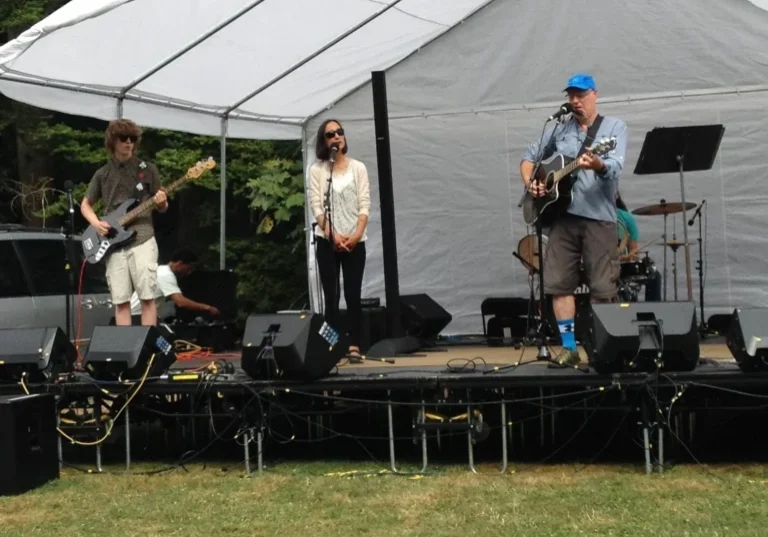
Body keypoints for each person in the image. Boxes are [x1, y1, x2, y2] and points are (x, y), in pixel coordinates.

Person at [521, 73, 628, 367]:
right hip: (562, 218)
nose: (575, 101)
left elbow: (615, 168)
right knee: (559, 285)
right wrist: (532, 183)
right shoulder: (559, 129)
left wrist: (598, 163)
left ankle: (602, 348)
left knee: (602, 288)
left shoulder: (614, 128)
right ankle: (569, 348)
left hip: (598, 218)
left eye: (580, 95)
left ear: (595, 94)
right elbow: (528, 158)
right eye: (571, 96)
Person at [81, 119, 167, 327]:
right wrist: (96, 223)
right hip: (113, 241)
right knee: (120, 301)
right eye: (124, 138)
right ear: (113, 141)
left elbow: (162, 206)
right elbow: (85, 204)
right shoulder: (102, 173)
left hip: (142, 237)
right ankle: (124, 345)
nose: (129, 142)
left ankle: (147, 344)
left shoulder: (148, 169)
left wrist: (162, 202)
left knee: (147, 298)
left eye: (133, 138)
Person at [308, 119, 371, 362]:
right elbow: (317, 206)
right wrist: (332, 234)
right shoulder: (318, 170)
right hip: (327, 241)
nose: (337, 136)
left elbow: (364, 205)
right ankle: (331, 345)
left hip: (355, 240)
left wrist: (355, 235)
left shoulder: (358, 168)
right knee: (331, 295)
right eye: (330, 134)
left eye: (340, 132)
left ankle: (354, 344)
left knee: (353, 295)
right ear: (324, 142)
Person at [129, 248, 221, 322]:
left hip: (140, 316)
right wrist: (207, 308)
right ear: (179, 263)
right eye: (189, 268)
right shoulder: (166, 275)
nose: (189, 272)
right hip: (138, 317)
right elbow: (180, 302)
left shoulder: (160, 270)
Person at [616, 193, 662, 302]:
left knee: (654, 275)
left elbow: (633, 249)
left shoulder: (626, 217)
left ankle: (651, 310)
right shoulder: (592, 218)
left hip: (621, 265)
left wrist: (631, 255)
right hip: (601, 265)